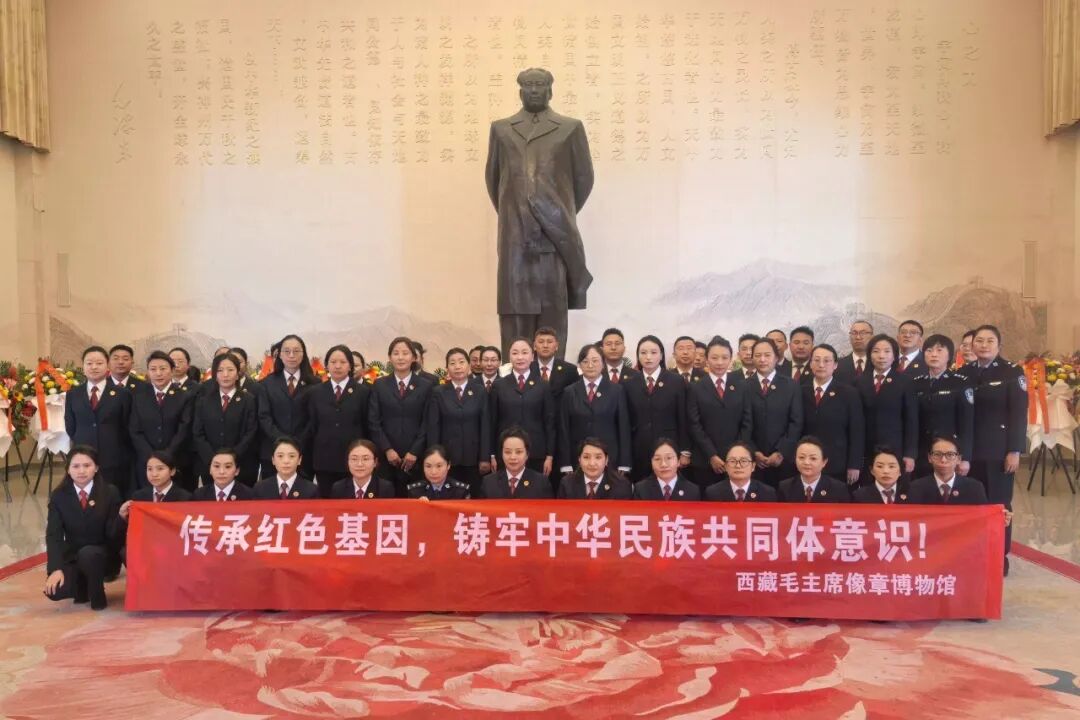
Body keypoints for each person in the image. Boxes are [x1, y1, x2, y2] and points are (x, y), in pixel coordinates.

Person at [486, 67, 594, 357]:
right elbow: (494, 180)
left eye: (540, 85)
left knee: (552, 310)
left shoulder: (570, 128)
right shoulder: (501, 129)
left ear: (550, 90)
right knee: (514, 311)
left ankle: (553, 375)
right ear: (520, 91)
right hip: (514, 238)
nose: (534, 90)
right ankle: (514, 376)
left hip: (555, 235)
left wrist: (557, 211)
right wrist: (516, 211)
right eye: (529, 85)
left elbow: (583, 179)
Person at [960, 324, 1025, 572]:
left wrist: (1015, 450)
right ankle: (973, 553)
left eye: (989, 341)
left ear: (999, 345)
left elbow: (1018, 413)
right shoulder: (964, 372)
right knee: (971, 503)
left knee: (998, 505)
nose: (984, 345)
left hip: (998, 451)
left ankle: (999, 556)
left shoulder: (1011, 372)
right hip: (969, 451)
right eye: (979, 341)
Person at [43, 446, 122, 611]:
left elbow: (113, 535)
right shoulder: (59, 496)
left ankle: (97, 594)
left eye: (87, 465)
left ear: (96, 468)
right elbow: (53, 535)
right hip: (74, 556)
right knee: (55, 591)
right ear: (68, 469)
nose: (81, 471)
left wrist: (121, 518)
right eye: (76, 466)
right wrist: (55, 569)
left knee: (89, 554)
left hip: (102, 555)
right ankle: (82, 585)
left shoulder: (110, 492)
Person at [368, 336, 435, 494]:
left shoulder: (426, 386)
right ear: (390, 357)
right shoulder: (379, 384)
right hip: (386, 457)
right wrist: (387, 449)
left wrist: (415, 451)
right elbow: (373, 421)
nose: (400, 357)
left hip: (416, 457)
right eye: (396, 353)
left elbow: (428, 422)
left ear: (414, 357)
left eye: (405, 353)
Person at [65, 346, 133, 498]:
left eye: (99, 363)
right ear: (83, 367)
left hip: (113, 457)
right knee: (85, 497)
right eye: (89, 363)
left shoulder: (122, 394)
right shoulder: (73, 394)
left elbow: (126, 426)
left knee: (112, 497)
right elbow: (70, 425)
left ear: (107, 366)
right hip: (83, 457)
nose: (94, 367)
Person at [686, 336, 753, 488]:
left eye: (724, 357)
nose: (720, 362)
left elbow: (747, 422)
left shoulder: (742, 386)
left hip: (737, 461)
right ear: (707, 359)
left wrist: (736, 454)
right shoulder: (695, 387)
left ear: (731, 359)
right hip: (705, 460)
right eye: (714, 358)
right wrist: (711, 455)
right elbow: (694, 424)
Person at [558, 343, 632, 478]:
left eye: (595, 361)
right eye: (585, 361)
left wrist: (624, 462)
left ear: (603, 364)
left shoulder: (616, 391)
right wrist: (565, 462)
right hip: (579, 457)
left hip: (609, 456)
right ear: (579, 365)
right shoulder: (569, 392)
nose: (590, 365)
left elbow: (623, 427)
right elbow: (564, 428)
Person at [426, 347, 491, 497]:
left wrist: (485, 457)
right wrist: (434, 457)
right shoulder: (438, 392)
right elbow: (434, 427)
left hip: (474, 456)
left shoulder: (480, 391)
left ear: (469, 365)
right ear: (447, 368)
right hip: (447, 457)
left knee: (474, 498)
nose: (457, 366)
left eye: (461, 362)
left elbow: (485, 425)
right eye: (452, 363)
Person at [308, 344, 370, 498]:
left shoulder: (363, 392)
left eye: (343, 362)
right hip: (324, 459)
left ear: (350, 366)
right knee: (326, 503)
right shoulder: (315, 392)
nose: (337, 366)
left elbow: (367, 425)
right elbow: (312, 425)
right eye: (333, 362)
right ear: (326, 366)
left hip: (354, 460)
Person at [624, 335, 689, 481]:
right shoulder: (629, 384)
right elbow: (626, 422)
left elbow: (683, 418)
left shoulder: (676, 381)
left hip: (669, 448)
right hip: (639, 449)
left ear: (661, 355)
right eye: (643, 353)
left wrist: (685, 451)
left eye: (653, 352)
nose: (648, 357)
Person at [129, 350, 195, 492]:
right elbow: (135, 430)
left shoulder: (184, 396)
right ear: (148, 372)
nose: (158, 373)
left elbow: (184, 429)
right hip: (146, 462)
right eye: (153, 369)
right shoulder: (138, 397)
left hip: (176, 461)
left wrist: (167, 455)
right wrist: (151, 456)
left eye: (163, 369)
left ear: (172, 370)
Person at [489, 338, 556, 476]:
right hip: (506, 452)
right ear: (509, 357)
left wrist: (549, 455)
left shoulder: (543, 385)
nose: (520, 357)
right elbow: (491, 422)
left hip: (536, 451)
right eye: (515, 353)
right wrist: (492, 454)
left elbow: (549, 422)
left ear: (532, 356)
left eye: (524, 352)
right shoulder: (499, 385)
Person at [856, 334, 917, 481]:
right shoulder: (859, 381)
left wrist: (910, 454)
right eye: (876, 351)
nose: (881, 356)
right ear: (869, 355)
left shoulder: (905, 381)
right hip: (866, 448)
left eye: (887, 351)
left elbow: (911, 420)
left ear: (895, 355)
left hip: (895, 448)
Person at [192, 352, 259, 486]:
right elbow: (198, 432)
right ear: (215, 375)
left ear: (238, 374)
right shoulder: (204, 401)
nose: (225, 374)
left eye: (230, 370)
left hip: (240, 465)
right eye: (220, 370)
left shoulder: (248, 400)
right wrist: (213, 459)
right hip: (211, 465)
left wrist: (233, 457)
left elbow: (251, 432)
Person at [912, 334, 973, 478]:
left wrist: (965, 458)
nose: (934, 354)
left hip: (949, 452)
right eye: (929, 350)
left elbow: (967, 422)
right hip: (921, 451)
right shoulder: (916, 383)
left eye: (939, 350)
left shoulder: (960, 382)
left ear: (949, 355)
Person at [802, 344, 864, 485]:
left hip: (837, 463)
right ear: (810, 364)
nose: (821, 365)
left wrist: (854, 464)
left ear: (835, 365)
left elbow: (857, 431)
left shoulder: (849, 393)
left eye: (827, 361)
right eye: (816, 360)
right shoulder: (800, 391)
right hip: (806, 463)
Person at [117, 451, 192, 564]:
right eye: (149, 469)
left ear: (172, 471)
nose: (154, 474)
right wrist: (122, 516)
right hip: (146, 545)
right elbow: (130, 529)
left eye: (160, 469)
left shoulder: (184, 497)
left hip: (174, 547)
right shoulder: (139, 496)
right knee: (126, 552)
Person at [748, 338, 804, 488]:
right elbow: (741, 423)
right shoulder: (744, 386)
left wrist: (781, 451)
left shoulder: (791, 385)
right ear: (752, 358)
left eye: (767, 355)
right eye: (757, 355)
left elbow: (796, 422)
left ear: (776, 358)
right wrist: (753, 451)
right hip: (753, 461)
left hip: (784, 460)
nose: (762, 359)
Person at [258, 334, 316, 477]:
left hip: (304, 451)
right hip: (272, 451)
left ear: (303, 354)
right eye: (287, 351)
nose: (291, 355)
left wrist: (298, 442)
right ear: (280, 355)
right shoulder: (266, 384)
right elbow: (264, 417)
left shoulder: (315, 384)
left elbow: (314, 418)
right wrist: (281, 441)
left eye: (296, 351)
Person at [908, 436, 989, 505]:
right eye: (937, 454)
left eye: (950, 455)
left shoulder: (974, 488)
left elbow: (983, 516)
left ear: (959, 459)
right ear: (929, 458)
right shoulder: (916, 488)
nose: (943, 460)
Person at [481, 427, 553, 498]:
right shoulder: (488, 482)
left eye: (519, 452)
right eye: (507, 452)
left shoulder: (541, 483)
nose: (513, 457)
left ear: (527, 454)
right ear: (501, 454)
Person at [778, 437, 851, 502]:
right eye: (801, 457)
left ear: (824, 462)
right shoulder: (785, 487)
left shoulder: (838, 489)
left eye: (813, 458)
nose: (806, 462)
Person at [557, 437, 633, 499]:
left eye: (598, 457)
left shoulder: (621, 485)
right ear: (579, 460)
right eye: (586, 457)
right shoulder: (567, 484)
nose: (592, 463)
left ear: (606, 460)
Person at [705, 441, 777, 501]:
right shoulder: (713, 493)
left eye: (743, 461)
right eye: (732, 461)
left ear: (753, 466)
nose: (738, 466)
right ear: (726, 466)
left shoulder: (767, 493)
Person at [633, 437, 700, 500]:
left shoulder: (692, 490)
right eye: (657, 459)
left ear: (678, 461)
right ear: (651, 463)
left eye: (669, 458)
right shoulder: (641, 489)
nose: (663, 464)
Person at [253, 436, 319, 499]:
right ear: (273, 460)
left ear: (299, 460)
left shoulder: (312, 490)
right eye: (280, 456)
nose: (286, 461)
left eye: (292, 456)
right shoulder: (260, 489)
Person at [330, 439, 396, 498]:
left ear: (375, 462)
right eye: (354, 459)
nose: (360, 464)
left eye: (365, 459)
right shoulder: (339, 488)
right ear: (348, 462)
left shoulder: (384, 488)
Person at [407, 444, 472, 499]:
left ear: (448, 465)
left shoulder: (461, 491)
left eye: (439, 466)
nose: (433, 472)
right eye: (428, 466)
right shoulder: (414, 491)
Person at [532, 326, 578, 399]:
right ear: (534, 346)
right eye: (541, 342)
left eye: (549, 342)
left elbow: (575, 398)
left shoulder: (570, 370)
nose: (545, 346)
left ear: (556, 346)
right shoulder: (527, 369)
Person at [835, 320, 874, 385]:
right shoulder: (837, 366)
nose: (858, 337)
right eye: (854, 333)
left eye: (862, 333)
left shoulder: (878, 364)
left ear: (872, 336)